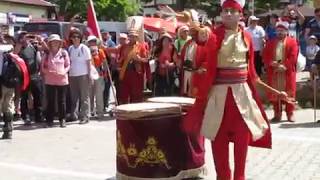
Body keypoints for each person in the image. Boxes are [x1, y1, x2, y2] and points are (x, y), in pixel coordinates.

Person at [183, 0, 290, 179]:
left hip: (242, 97)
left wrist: (276, 91)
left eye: (233, 11)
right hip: (218, 98)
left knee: (242, 143)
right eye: (226, 10)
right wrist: (197, 32)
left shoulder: (247, 37)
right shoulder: (212, 35)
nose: (229, 14)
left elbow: (252, 75)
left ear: (241, 15)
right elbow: (201, 39)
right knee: (219, 143)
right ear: (221, 13)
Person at [263, 21, 299, 122]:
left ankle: (290, 113)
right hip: (274, 72)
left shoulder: (292, 42)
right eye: (278, 31)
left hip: (287, 72)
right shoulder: (270, 42)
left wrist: (285, 66)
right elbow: (265, 55)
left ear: (286, 31)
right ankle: (277, 114)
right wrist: (271, 63)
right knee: (275, 93)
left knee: (289, 92)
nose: (279, 33)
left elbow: (293, 56)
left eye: (282, 31)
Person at [41, 34, 70, 128]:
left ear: (59, 43)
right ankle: (50, 120)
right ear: (50, 43)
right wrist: (48, 71)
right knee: (50, 100)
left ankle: (62, 120)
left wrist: (64, 72)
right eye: (53, 41)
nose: (55, 43)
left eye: (57, 41)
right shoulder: (47, 54)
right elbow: (43, 67)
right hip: (50, 80)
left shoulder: (64, 53)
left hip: (62, 80)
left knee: (62, 101)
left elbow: (68, 65)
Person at [0, 44, 29, 139]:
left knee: (5, 106)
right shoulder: (12, 56)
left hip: (3, 83)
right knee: (8, 106)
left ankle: (7, 129)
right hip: (10, 84)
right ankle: (8, 130)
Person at [16, 32, 43, 125]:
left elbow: (45, 49)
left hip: (35, 75)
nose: (25, 38)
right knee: (24, 98)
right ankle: (26, 117)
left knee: (38, 97)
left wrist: (40, 40)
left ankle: (38, 116)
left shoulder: (33, 46)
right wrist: (20, 42)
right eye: (23, 36)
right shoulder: (19, 47)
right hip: (23, 76)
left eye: (26, 36)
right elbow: (15, 53)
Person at [68, 29, 92, 124]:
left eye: (78, 37)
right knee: (74, 97)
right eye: (74, 37)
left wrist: (89, 75)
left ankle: (85, 116)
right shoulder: (70, 48)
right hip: (72, 75)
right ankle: (74, 115)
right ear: (71, 38)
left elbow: (88, 62)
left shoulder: (84, 48)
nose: (76, 38)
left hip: (83, 74)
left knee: (84, 96)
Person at [87, 35, 107, 119]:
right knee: (89, 94)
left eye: (94, 41)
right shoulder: (86, 51)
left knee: (99, 94)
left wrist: (105, 73)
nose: (92, 43)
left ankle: (100, 112)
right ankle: (90, 112)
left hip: (98, 73)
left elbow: (105, 63)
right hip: (89, 73)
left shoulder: (100, 51)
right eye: (91, 41)